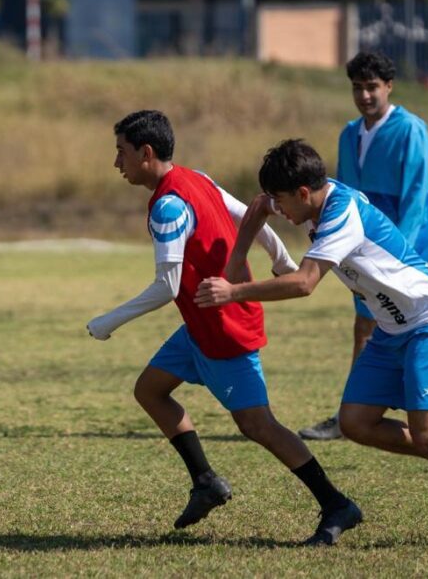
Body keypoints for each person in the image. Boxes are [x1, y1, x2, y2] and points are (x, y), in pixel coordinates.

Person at [195, 139, 428, 548]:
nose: (280, 210)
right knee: (355, 422)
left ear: (304, 193)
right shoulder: (308, 195)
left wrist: (234, 292)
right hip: (391, 329)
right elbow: (258, 205)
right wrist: (235, 263)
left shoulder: (341, 215)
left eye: (284, 202)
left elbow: (304, 284)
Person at [86, 111, 361, 545]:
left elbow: (167, 285)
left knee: (259, 426)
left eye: (120, 152)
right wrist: (280, 257)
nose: (116, 163)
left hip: (221, 330)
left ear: (146, 153)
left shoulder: (168, 206)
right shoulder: (197, 178)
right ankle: (206, 481)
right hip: (201, 324)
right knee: (150, 390)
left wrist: (108, 321)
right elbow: (252, 214)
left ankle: (335, 503)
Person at [299, 52, 428, 443]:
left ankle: (363, 415)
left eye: (372, 86)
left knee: (395, 326)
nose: (364, 95)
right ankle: (360, 412)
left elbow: (415, 195)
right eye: (357, 87)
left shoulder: (411, 129)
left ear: (389, 86)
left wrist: (399, 253)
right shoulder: (349, 133)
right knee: (367, 326)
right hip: (359, 249)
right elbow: (339, 194)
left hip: (397, 251)